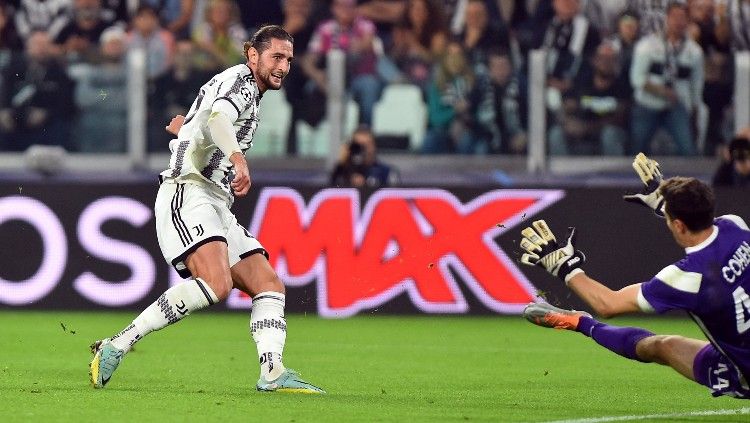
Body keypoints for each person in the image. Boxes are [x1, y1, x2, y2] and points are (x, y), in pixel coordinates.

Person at [89, 24, 326, 394]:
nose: (283, 66)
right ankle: (117, 344)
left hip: (215, 198)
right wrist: (236, 156)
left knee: (268, 284)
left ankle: (273, 372)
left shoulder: (243, 86)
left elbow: (208, 119)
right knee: (217, 284)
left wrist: (188, 128)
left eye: (289, 59)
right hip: (188, 190)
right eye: (276, 56)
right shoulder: (244, 84)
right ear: (252, 55)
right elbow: (218, 118)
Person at [518, 153, 750, 399]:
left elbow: (607, 304)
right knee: (664, 347)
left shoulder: (688, 277)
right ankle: (576, 321)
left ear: (679, 225)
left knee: (661, 345)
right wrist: (668, 204)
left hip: (743, 369)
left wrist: (565, 268)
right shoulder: (735, 226)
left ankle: (582, 323)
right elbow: (702, 225)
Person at [629, 2, 703, 155]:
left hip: (676, 106)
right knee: (637, 151)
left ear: (688, 21)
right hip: (647, 105)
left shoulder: (694, 51)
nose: (678, 22)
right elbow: (637, 79)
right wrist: (663, 92)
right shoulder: (648, 45)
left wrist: (694, 114)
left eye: (682, 18)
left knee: (688, 150)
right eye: (674, 17)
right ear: (667, 18)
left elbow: (696, 85)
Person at [329, 126, 397, 187]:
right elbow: (330, 188)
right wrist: (341, 163)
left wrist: (366, 187)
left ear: (374, 146)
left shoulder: (387, 172)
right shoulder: (343, 171)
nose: (363, 150)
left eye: (367, 145)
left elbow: (394, 196)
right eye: (359, 145)